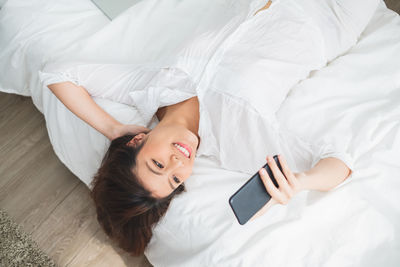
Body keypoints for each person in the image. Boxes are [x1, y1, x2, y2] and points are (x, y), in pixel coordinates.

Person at [39, 0, 377, 256]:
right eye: (174, 180)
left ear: (136, 142)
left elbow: (56, 73)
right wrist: (302, 182)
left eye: (157, 164)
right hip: (332, 11)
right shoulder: (237, 139)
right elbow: (339, 161)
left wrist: (112, 127)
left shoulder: (151, 87)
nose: (179, 164)